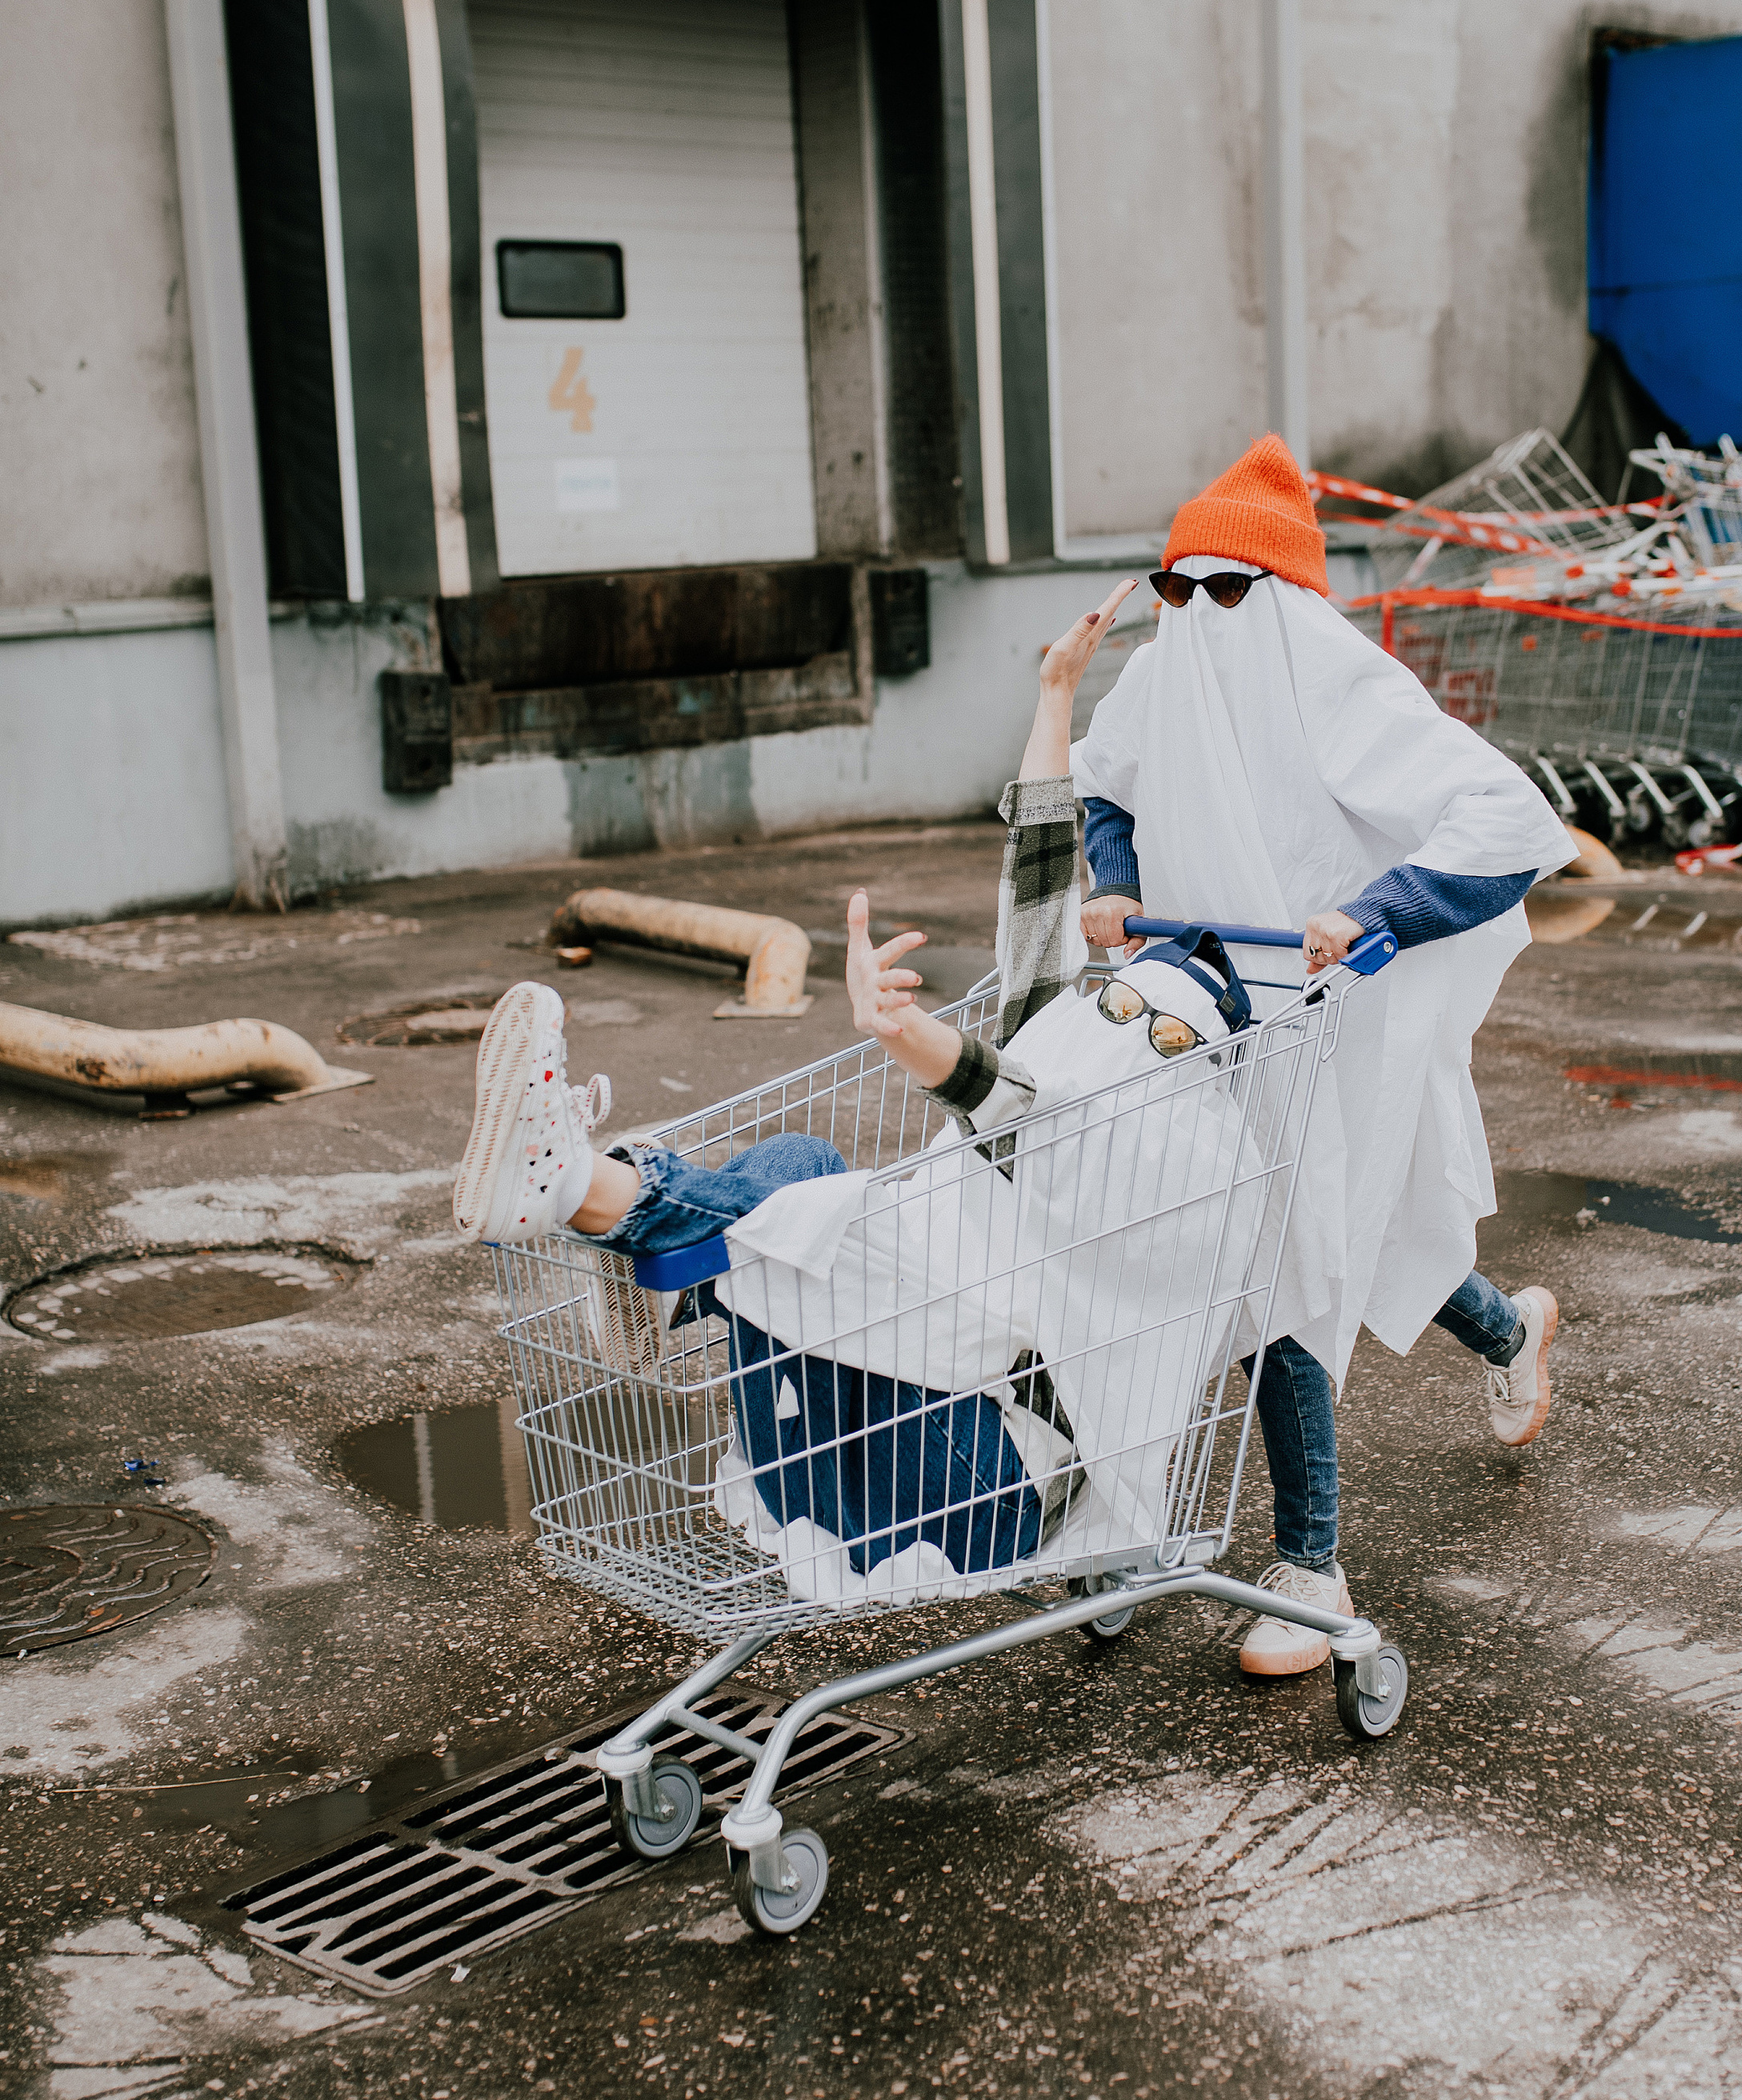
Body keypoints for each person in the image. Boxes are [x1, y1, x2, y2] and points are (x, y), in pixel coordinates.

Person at [451, 578, 1344, 1612]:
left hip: (973, 1494)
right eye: (1124, 1008)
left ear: (1206, 1061)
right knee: (801, 1170)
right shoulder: (1071, 1060)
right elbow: (1042, 898)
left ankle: (597, 1200)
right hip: (843, 1446)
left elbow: (1011, 1108)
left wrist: (909, 1035)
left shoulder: (1189, 1163)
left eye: (1167, 1033)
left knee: (848, 1230)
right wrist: (1057, 694)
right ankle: (663, 1267)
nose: (1131, 1033)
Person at [1069, 433, 1579, 1680]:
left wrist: (1378, 910)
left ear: (1285, 595)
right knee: (1301, 1244)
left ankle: (1310, 1567)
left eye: (1228, 588)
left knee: (1299, 1265)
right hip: (1194, 1001)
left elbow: (1505, 820)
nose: (1197, 613)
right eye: (1176, 588)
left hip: (1334, 1017)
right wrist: (1114, 884)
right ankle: (1511, 1334)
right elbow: (1106, 784)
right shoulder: (1163, 678)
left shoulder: (1345, 684)